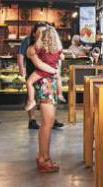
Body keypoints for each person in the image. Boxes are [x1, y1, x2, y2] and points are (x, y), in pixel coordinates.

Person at [26, 31, 63, 172]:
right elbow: (40, 63)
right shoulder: (35, 49)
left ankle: (42, 157)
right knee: (48, 123)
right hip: (46, 84)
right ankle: (45, 159)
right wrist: (54, 71)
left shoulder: (39, 49)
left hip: (47, 83)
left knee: (47, 124)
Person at [18, 23, 65, 130]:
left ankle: (51, 120)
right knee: (33, 95)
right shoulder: (29, 42)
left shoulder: (47, 43)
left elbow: (58, 55)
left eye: (44, 31)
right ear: (34, 33)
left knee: (50, 97)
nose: (43, 34)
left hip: (46, 75)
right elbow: (22, 55)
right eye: (40, 32)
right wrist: (21, 67)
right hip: (34, 72)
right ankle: (33, 120)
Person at [25, 26, 67, 110]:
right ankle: (60, 94)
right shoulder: (58, 49)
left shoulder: (40, 48)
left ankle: (32, 100)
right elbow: (62, 57)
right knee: (59, 78)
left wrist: (39, 40)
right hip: (53, 70)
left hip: (42, 72)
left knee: (29, 82)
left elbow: (29, 54)